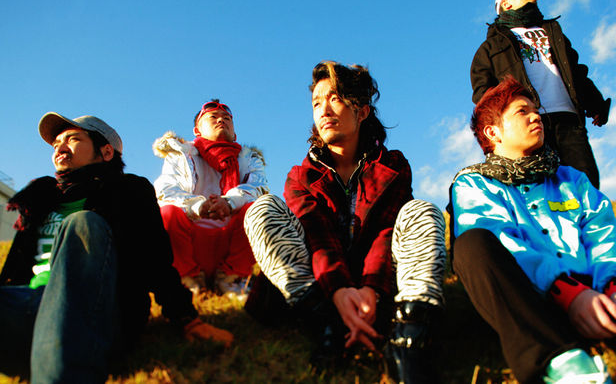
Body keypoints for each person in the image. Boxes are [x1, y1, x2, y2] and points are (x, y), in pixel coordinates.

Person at [243, 61, 447, 383]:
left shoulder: (393, 166)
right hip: (319, 284)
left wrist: (372, 290)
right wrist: (337, 291)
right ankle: (327, 323)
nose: (324, 111)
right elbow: (317, 236)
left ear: (362, 111)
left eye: (335, 99)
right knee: (263, 208)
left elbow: (385, 232)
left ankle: (410, 337)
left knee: (421, 211)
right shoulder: (302, 175)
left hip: (378, 285)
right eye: (316, 103)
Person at [0, 112, 233, 383]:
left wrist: (186, 318)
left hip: (100, 312)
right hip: (28, 304)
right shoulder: (38, 198)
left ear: (106, 151)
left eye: (73, 139)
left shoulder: (129, 190)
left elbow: (155, 260)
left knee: (83, 224)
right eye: (56, 144)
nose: (60, 147)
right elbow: (15, 268)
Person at [449, 76, 616, 383]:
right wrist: (568, 293)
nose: (536, 116)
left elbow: (604, 233)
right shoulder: (474, 184)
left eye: (536, 110)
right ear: (492, 132)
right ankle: (562, 362)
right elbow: (501, 242)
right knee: (472, 244)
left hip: (599, 295)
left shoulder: (571, 179)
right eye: (522, 111)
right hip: (534, 302)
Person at [470, 0, 611, 188]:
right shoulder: (491, 46)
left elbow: (576, 71)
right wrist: (498, 126)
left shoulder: (553, 32)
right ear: (507, 3)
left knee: (585, 181)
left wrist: (595, 103)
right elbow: (483, 92)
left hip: (568, 118)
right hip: (527, 124)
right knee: (539, 185)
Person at [153, 99, 268, 294]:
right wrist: (197, 206)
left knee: (260, 208)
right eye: (213, 117)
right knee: (167, 213)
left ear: (234, 133)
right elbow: (166, 190)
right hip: (190, 244)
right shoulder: (180, 155)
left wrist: (229, 202)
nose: (221, 120)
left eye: (227, 119)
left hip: (232, 245)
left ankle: (232, 280)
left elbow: (258, 189)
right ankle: (189, 283)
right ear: (197, 130)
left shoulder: (249, 159)